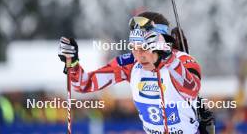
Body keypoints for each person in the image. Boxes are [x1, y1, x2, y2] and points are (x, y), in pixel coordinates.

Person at [58, 11, 202, 134]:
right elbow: (84, 85)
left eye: (145, 47)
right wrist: (73, 63)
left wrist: (169, 58)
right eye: (134, 47)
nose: (139, 55)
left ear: (161, 44)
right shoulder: (130, 64)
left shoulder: (182, 60)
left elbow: (192, 90)